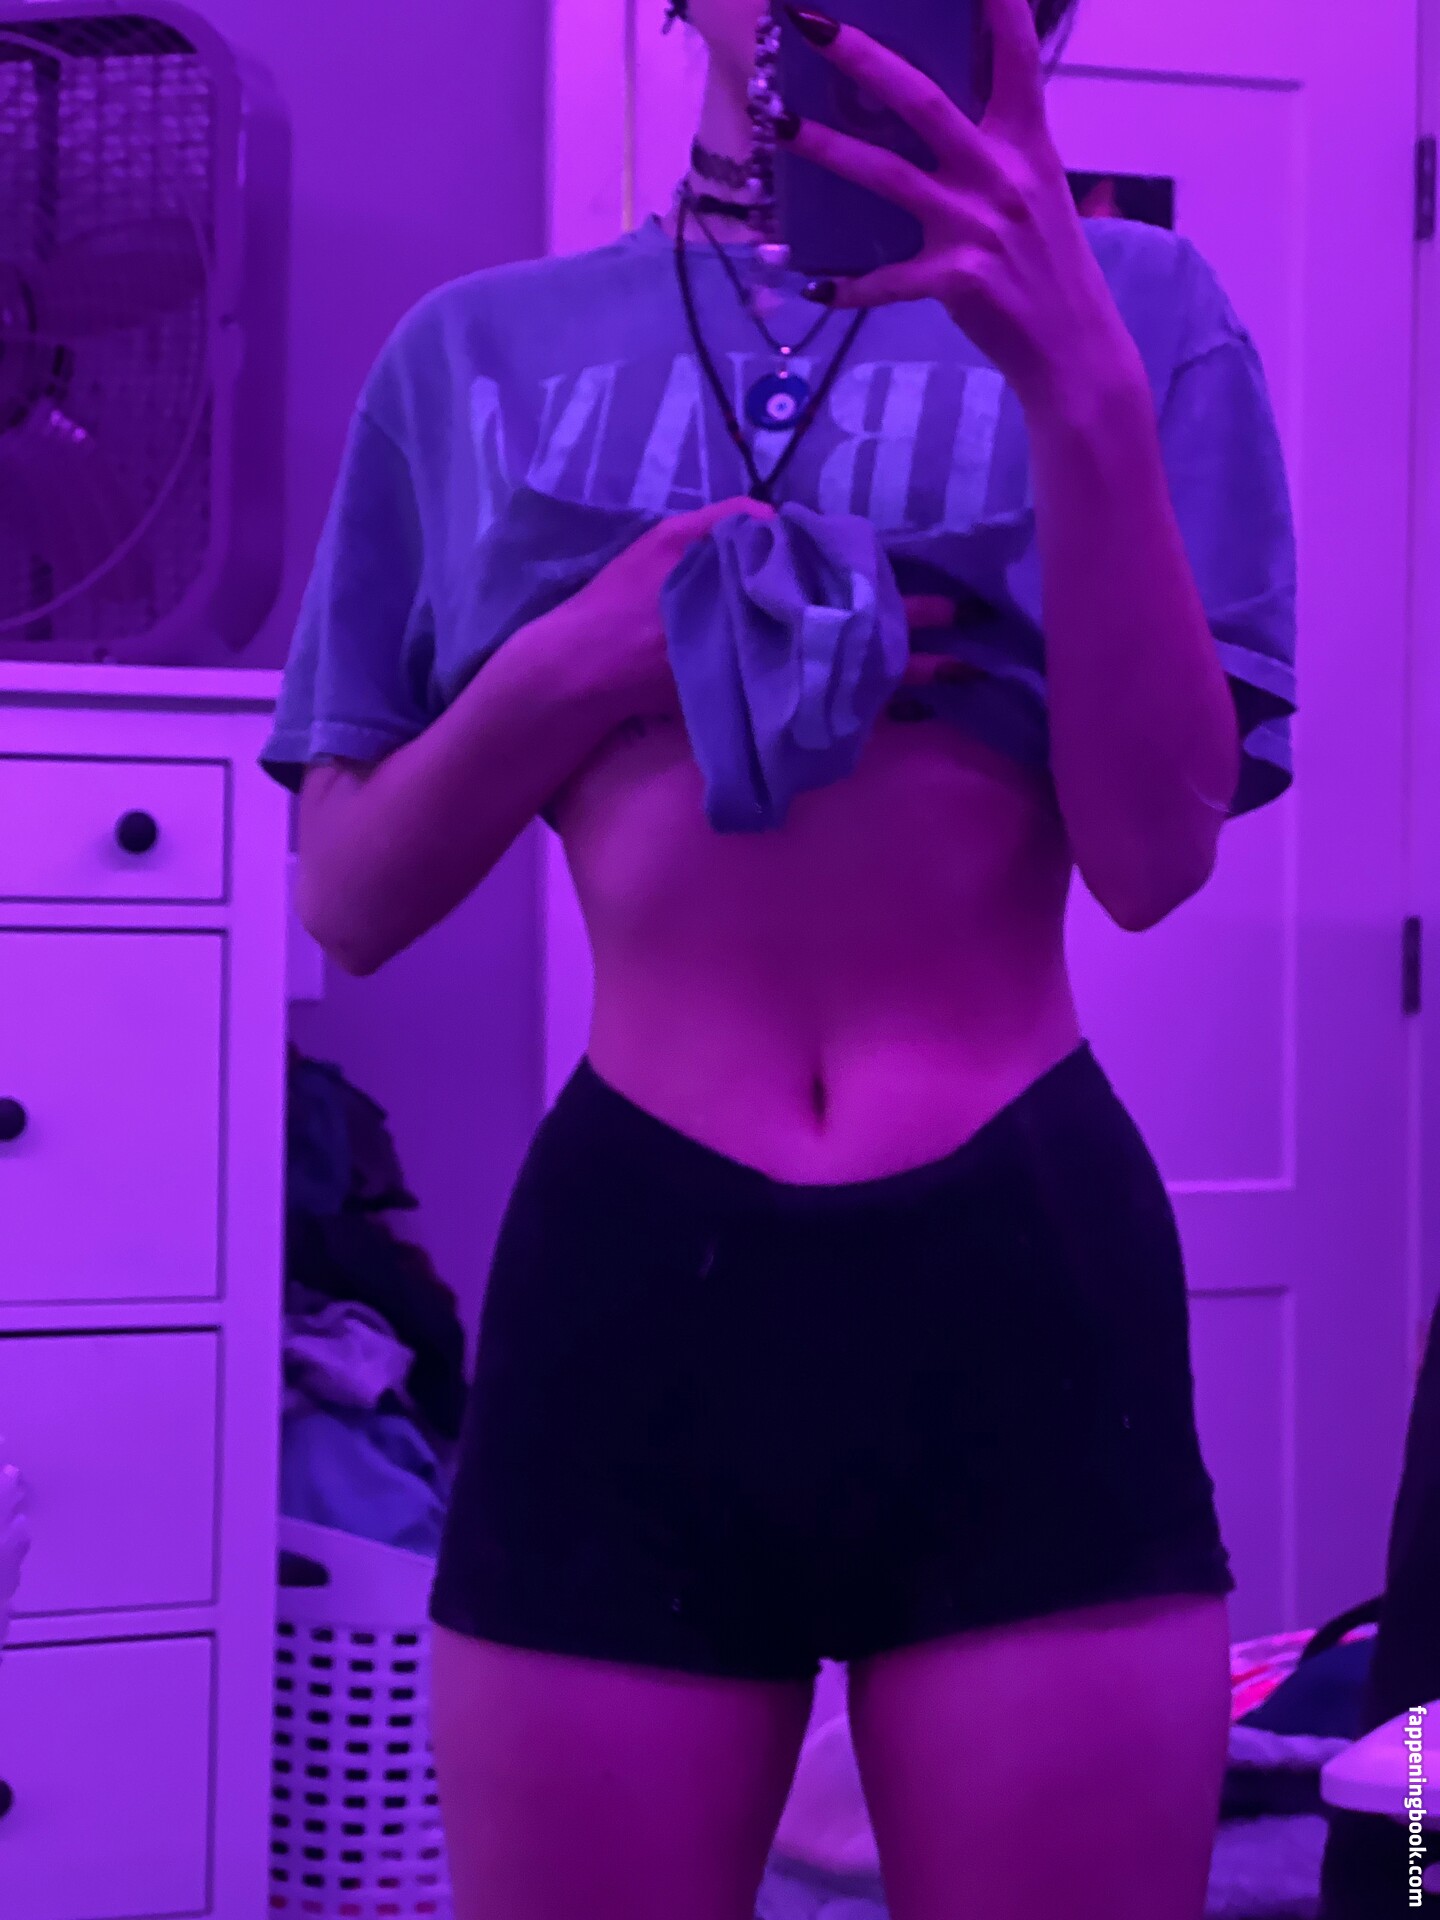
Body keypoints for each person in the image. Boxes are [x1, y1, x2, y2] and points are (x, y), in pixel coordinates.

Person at [261, 0, 1298, 1914]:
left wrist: (1076, 376)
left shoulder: (1147, 315)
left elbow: (1156, 855)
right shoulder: (474, 356)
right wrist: (582, 659)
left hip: (1018, 1266)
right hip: (635, 1275)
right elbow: (349, 893)